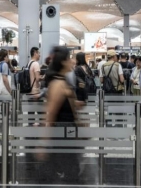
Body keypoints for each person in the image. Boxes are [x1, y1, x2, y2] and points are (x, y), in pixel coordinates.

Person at [43, 46, 83, 183]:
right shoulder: (58, 84)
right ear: (63, 62)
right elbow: (51, 114)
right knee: (69, 167)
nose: (72, 61)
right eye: (69, 58)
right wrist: (43, 143)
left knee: (71, 165)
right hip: (62, 130)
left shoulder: (63, 81)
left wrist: (75, 104)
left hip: (68, 129)